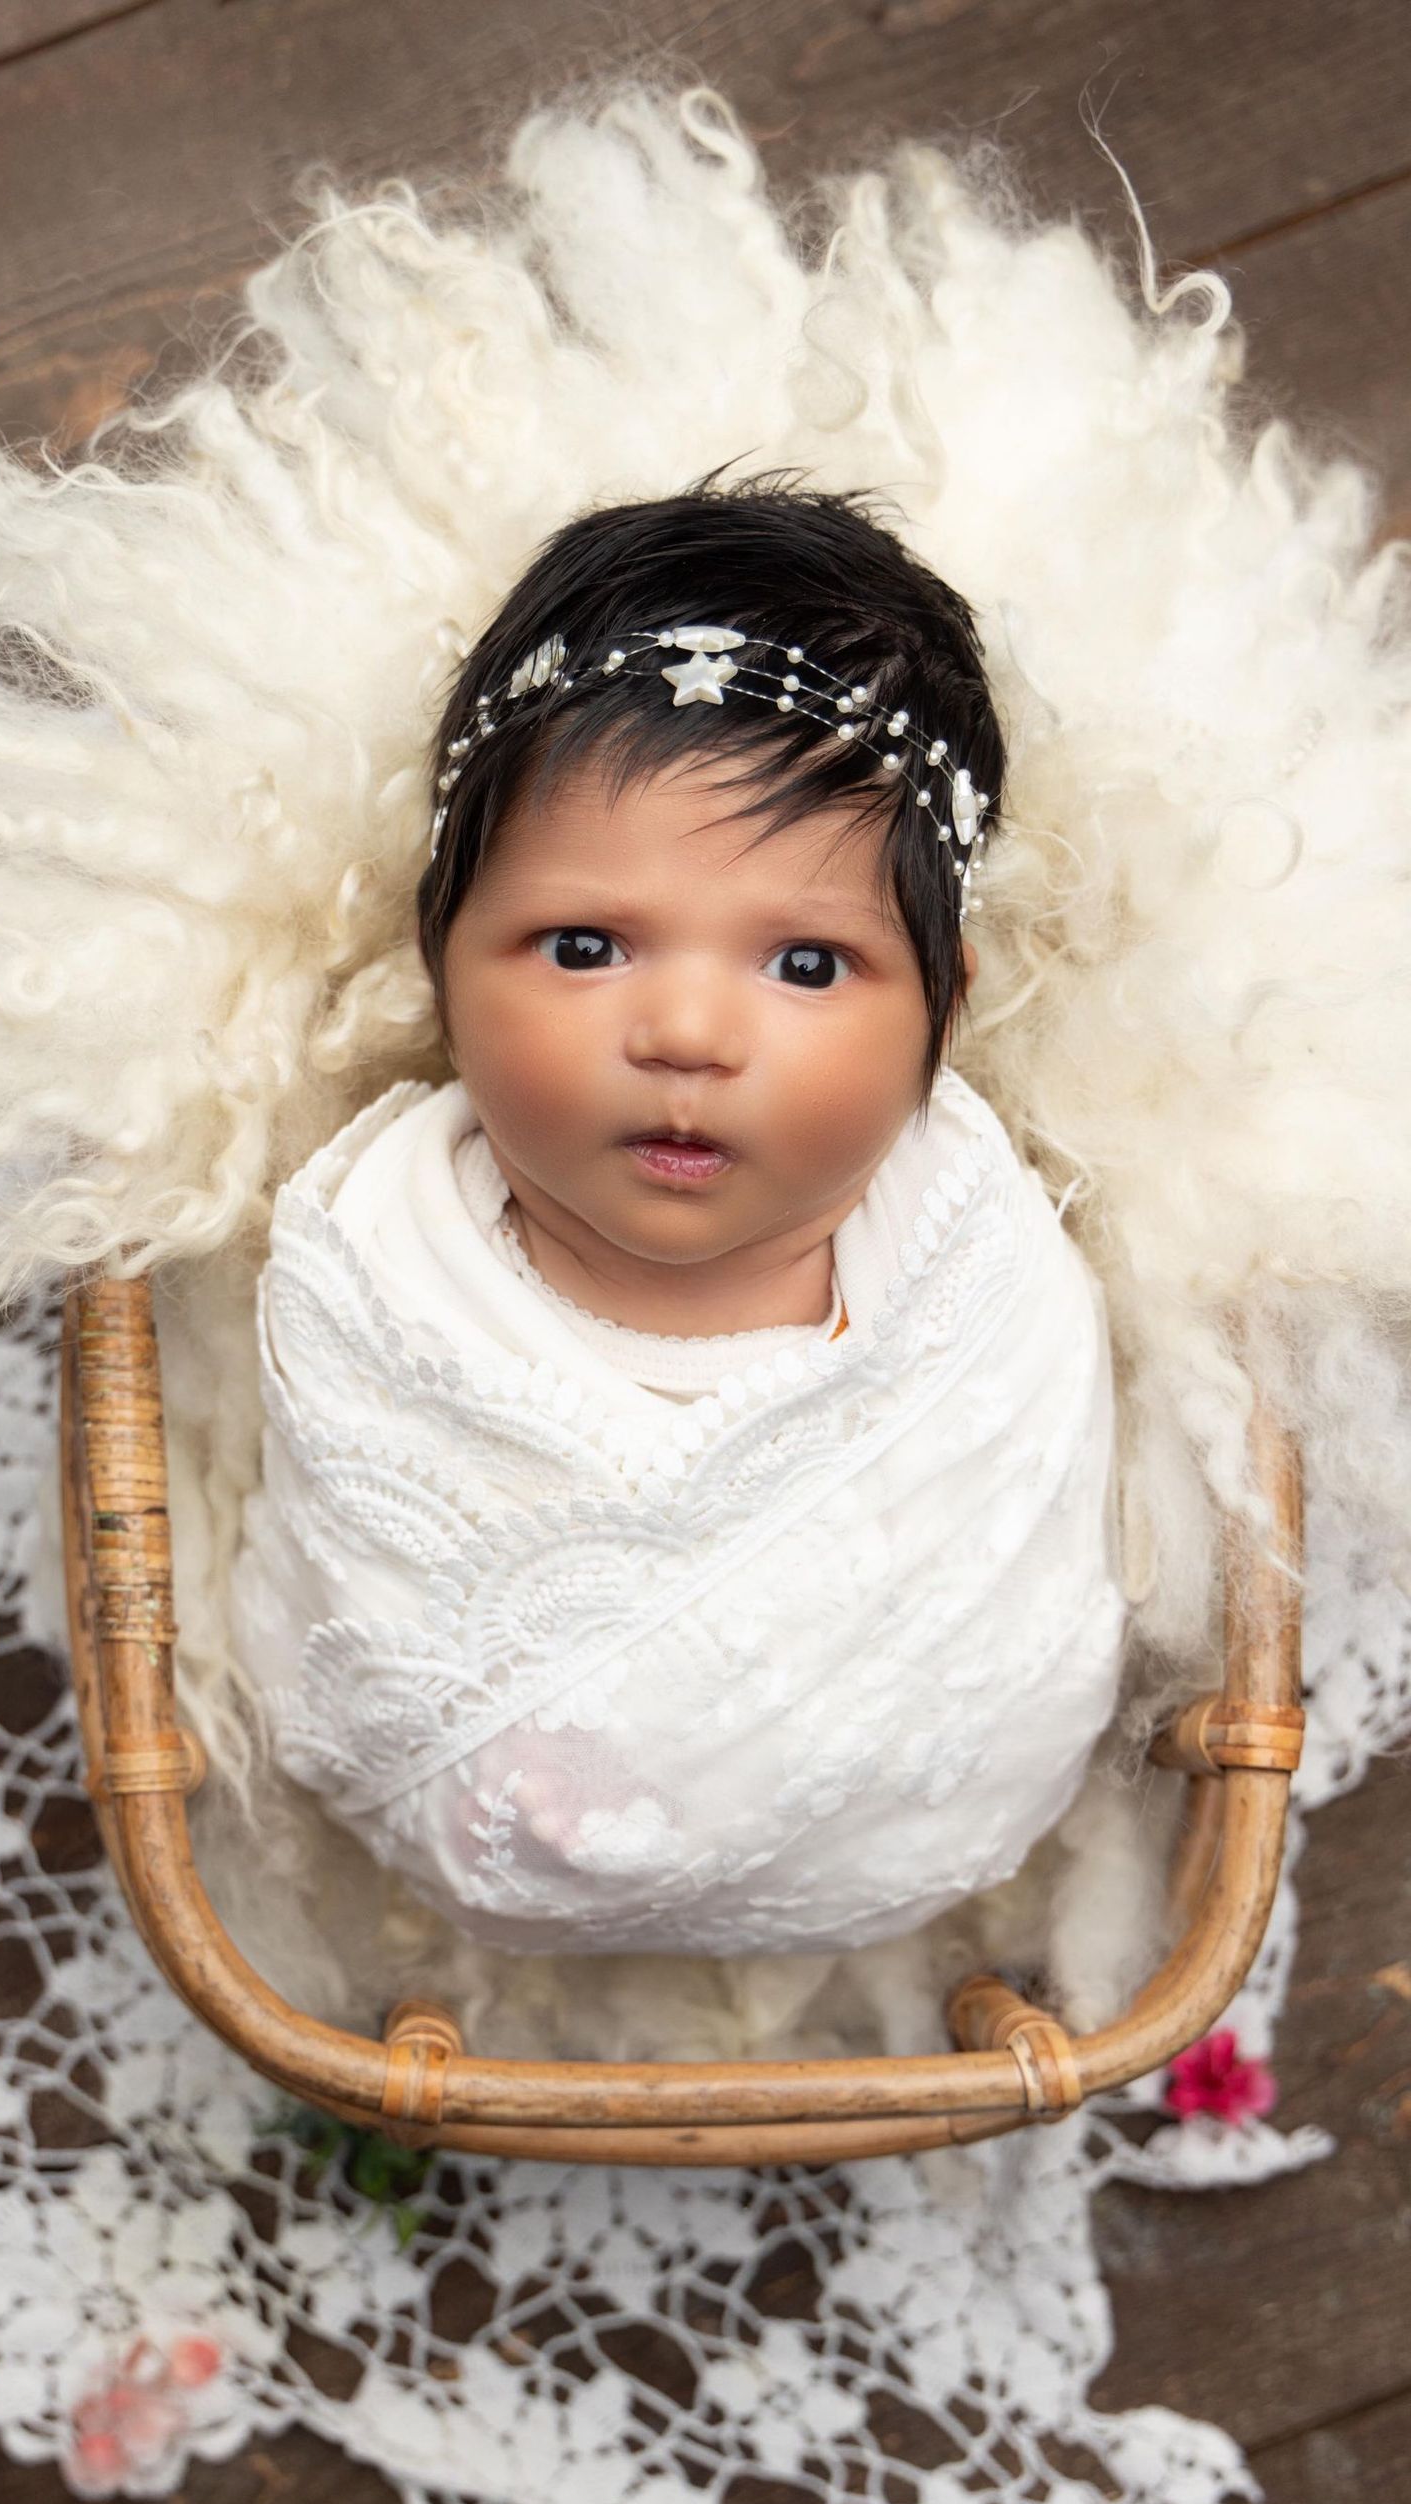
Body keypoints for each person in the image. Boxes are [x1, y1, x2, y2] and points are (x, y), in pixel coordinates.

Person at [228, 478, 1129, 1968]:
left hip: (933, 1836)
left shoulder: (973, 1255)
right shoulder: (375, 1252)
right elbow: (347, 1602)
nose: (690, 1033)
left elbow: (1026, 1583)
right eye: (583, 947)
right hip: (453, 1850)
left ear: (944, 1007)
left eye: (808, 964)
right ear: (438, 963)